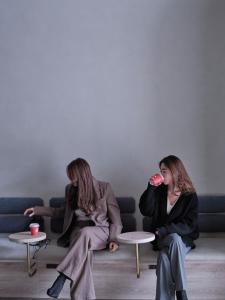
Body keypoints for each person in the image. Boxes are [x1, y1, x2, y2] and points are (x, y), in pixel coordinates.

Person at [24, 158, 122, 300]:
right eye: (70, 178)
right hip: (78, 233)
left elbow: (116, 219)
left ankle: (62, 277)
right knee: (84, 253)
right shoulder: (71, 190)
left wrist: (114, 239)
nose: (71, 181)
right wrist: (37, 210)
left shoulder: (104, 188)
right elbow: (62, 212)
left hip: (99, 231)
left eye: (73, 177)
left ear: (83, 175)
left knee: (86, 233)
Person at [139, 155, 198, 300]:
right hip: (161, 238)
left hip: (182, 240)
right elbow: (145, 210)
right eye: (161, 170)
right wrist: (151, 187)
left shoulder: (189, 196)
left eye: (164, 171)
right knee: (173, 239)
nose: (161, 174)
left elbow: (190, 224)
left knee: (165, 257)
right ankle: (181, 292)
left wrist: (166, 229)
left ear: (174, 172)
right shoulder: (159, 192)